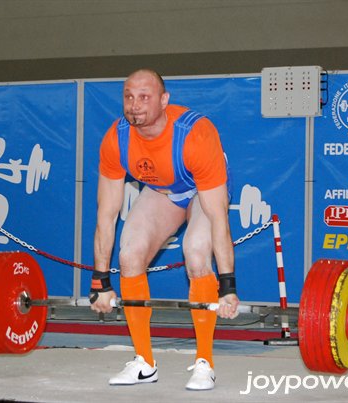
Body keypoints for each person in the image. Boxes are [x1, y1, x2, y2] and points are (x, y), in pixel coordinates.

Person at [90, 68, 239, 391]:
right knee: (129, 256)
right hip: (163, 193)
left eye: (144, 97)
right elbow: (106, 214)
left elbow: (217, 219)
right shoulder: (117, 139)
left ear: (164, 100)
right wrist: (100, 280)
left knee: (196, 254)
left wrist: (228, 285)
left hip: (202, 192)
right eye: (128, 97)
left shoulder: (196, 134)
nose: (135, 105)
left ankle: (205, 363)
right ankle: (144, 362)